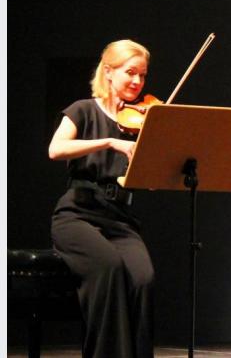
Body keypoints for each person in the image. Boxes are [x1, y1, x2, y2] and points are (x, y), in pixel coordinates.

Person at [49, 39, 155, 358]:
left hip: (119, 219)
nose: (137, 82)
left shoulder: (140, 121)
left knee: (143, 278)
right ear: (108, 72)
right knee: (109, 267)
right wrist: (108, 142)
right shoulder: (83, 109)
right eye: (130, 73)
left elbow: (146, 181)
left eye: (143, 75)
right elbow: (56, 149)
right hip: (77, 214)